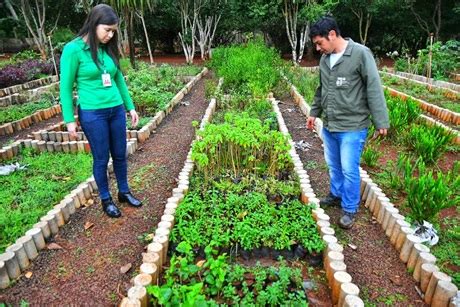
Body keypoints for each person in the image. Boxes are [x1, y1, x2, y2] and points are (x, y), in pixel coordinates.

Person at [306, 17, 389, 229]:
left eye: (319, 43)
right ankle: (336, 194)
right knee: (334, 165)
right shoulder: (326, 60)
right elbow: (321, 89)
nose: (318, 48)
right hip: (331, 124)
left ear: (332, 34)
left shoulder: (360, 54)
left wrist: (381, 120)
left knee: (349, 169)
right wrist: (314, 112)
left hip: (352, 126)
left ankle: (350, 209)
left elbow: (373, 87)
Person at [60, 4, 142, 218]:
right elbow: (66, 88)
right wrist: (69, 120)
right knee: (101, 158)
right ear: (94, 24)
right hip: (93, 113)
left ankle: (124, 192)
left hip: (115, 109)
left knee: (120, 154)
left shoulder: (108, 49)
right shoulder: (73, 50)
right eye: (107, 29)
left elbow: (118, 79)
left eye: (114, 30)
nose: (110, 34)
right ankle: (106, 199)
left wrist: (130, 107)